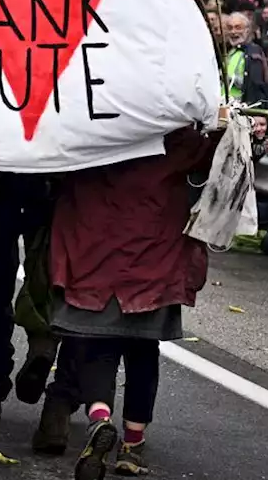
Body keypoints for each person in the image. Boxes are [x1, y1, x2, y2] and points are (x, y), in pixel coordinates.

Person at [50, 127, 219, 479]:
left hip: (97, 256)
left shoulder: (94, 124)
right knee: (143, 353)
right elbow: (210, 156)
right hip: (153, 259)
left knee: (99, 350)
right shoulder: (176, 136)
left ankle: (99, 417)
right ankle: (132, 445)